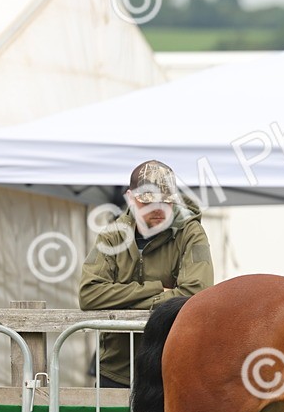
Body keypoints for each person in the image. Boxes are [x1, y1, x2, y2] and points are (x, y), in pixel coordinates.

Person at [79, 160, 215, 388]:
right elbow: (89, 294)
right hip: (115, 370)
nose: (159, 209)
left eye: (166, 201)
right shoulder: (112, 236)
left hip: (170, 367)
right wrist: (157, 291)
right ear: (131, 198)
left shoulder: (191, 233)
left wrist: (121, 300)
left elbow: (196, 293)